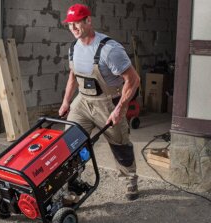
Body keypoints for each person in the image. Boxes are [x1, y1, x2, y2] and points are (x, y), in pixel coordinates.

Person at [59, 3, 140, 201]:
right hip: (83, 102)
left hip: (108, 103)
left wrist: (120, 108)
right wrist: (66, 102)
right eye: (70, 25)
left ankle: (130, 179)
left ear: (88, 20)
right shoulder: (73, 48)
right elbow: (73, 76)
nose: (73, 29)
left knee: (120, 144)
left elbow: (133, 79)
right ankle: (73, 181)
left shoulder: (109, 49)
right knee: (70, 142)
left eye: (77, 23)